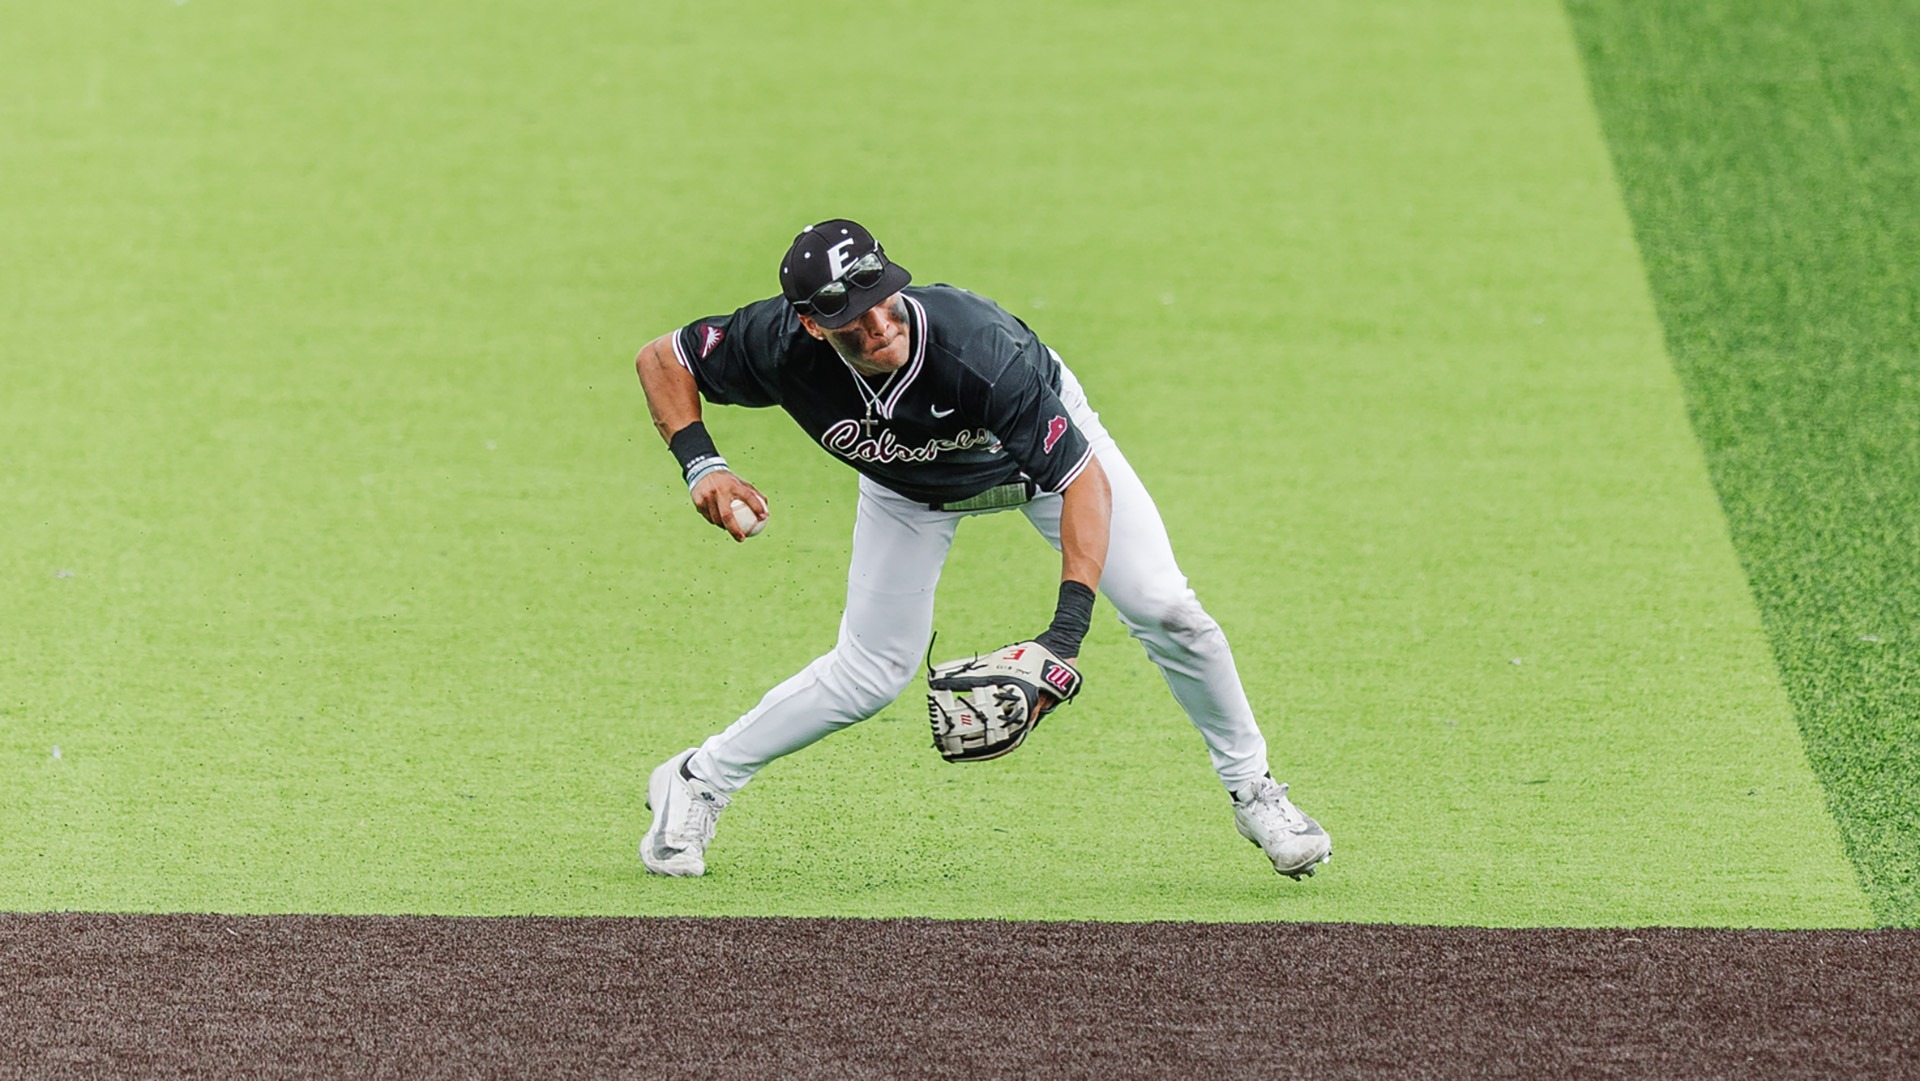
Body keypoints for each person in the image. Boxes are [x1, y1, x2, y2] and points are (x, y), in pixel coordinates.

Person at [632, 219, 1331, 880]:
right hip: (907, 488)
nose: (879, 325)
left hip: (1035, 469)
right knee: (872, 671)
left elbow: (1082, 483)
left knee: (1167, 608)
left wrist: (1065, 634)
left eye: (884, 301)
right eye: (853, 319)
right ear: (812, 324)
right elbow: (663, 358)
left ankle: (1256, 792)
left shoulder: (978, 350)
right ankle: (696, 779)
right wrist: (704, 465)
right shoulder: (775, 343)